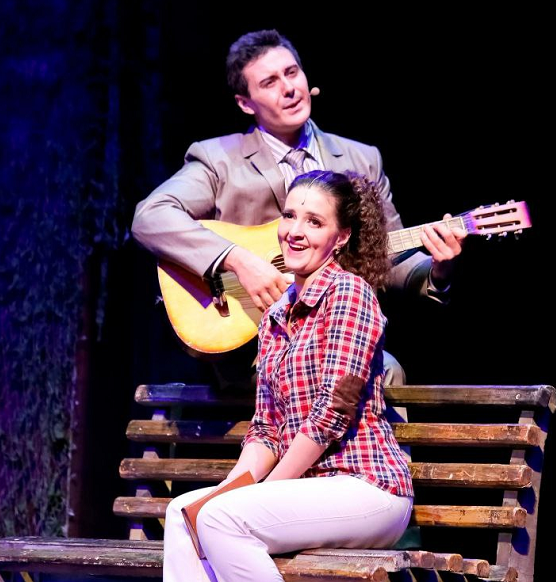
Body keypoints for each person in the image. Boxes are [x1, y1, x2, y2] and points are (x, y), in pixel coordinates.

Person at [131, 29, 465, 386]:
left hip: (339, 331)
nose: (289, 88)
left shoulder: (361, 159)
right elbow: (151, 216)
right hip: (258, 345)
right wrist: (237, 260)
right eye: (270, 82)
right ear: (245, 103)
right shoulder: (219, 159)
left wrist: (437, 270)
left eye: (292, 73)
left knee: (383, 369)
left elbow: (387, 254)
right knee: (353, 374)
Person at [163, 171, 414, 582]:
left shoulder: (350, 294)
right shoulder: (275, 313)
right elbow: (266, 428)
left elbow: (332, 410)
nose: (295, 231)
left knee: (222, 518)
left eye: (314, 221)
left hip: (367, 486)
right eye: (290, 216)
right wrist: (230, 487)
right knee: (183, 514)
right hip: (305, 491)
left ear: (341, 237)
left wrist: (263, 491)